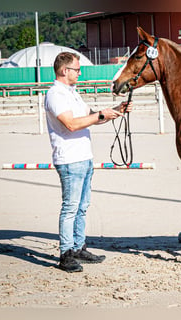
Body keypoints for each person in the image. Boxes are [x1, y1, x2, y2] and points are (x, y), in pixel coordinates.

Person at [44, 52, 131, 272]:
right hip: (69, 159)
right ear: (65, 71)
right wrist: (100, 116)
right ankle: (65, 253)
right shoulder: (55, 94)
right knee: (70, 208)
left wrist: (114, 111)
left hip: (84, 157)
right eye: (77, 69)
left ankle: (79, 247)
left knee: (82, 207)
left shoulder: (72, 93)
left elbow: (89, 116)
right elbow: (71, 124)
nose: (79, 73)